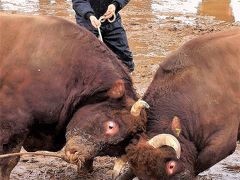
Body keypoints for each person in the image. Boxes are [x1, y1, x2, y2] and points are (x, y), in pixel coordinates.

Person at [72, 0, 135, 72]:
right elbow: (78, 1)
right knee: (86, 57)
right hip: (87, 20)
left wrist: (115, 5)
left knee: (124, 57)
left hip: (111, 19)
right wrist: (90, 15)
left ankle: (126, 79)